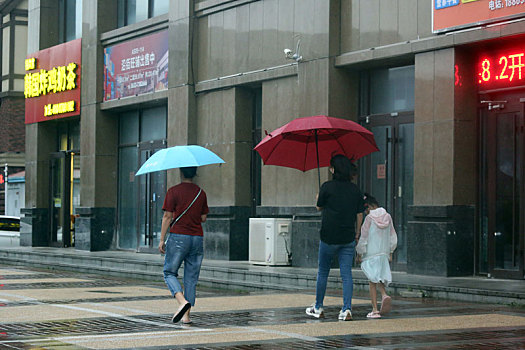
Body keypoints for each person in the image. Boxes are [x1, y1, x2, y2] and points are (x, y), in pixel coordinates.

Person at [306, 154, 364, 321]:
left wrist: (318, 198)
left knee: (323, 271)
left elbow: (319, 207)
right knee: (347, 274)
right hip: (347, 237)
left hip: (328, 236)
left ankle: (318, 306)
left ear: (333, 169)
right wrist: (357, 232)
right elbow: (360, 213)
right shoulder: (355, 190)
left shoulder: (327, 186)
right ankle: (346, 309)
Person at [159, 166, 209, 324]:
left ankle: (181, 301)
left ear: (181, 173)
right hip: (197, 238)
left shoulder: (173, 191)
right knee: (191, 277)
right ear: (195, 174)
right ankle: (186, 317)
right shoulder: (201, 193)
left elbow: (167, 216)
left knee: (169, 272)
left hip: (179, 236)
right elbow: (203, 218)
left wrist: (161, 239)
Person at [356, 193, 398, 319]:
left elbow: (364, 237)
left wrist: (359, 253)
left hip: (371, 253)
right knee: (378, 276)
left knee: (372, 281)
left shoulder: (369, 219)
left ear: (368, 207)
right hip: (383, 253)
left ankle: (374, 309)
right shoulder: (388, 217)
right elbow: (393, 236)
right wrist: (390, 252)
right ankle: (384, 294)